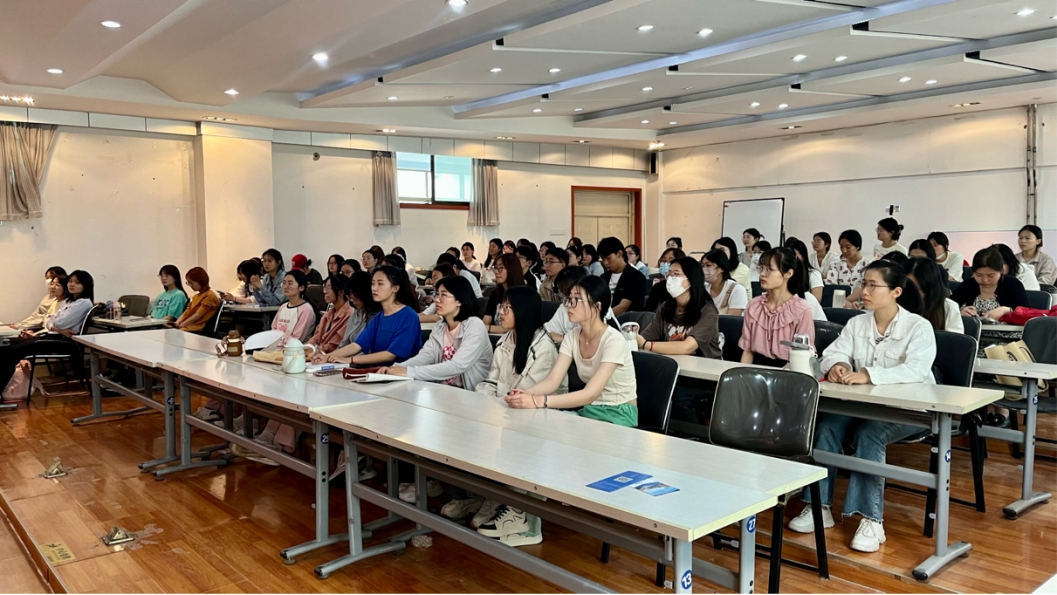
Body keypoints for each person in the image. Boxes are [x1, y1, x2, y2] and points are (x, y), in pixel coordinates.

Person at [789, 259, 937, 553]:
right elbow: (834, 353)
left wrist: (869, 374)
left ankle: (871, 519)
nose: (864, 291)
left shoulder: (918, 327)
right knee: (827, 427)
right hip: (862, 404)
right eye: (863, 284)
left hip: (907, 409)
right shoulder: (857, 323)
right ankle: (819, 506)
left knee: (870, 435)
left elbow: (916, 370)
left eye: (872, 285)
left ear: (896, 292)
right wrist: (839, 366)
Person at [472, 286, 564, 546]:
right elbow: (491, 382)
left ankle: (524, 516)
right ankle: (499, 498)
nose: (500, 313)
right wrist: (484, 397)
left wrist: (495, 395)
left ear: (523, 311)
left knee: (515, 441)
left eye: (507, 308)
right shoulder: (505, 340)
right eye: (500, 307)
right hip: (509, 409)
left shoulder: (543, 347)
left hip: (542, 415)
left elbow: (525, 394)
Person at [505, 276, 637, 427]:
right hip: (591, 410)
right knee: (541, 424)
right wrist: (526, 393)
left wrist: (538, 401)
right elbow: (552, 381)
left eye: (576, 300)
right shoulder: (572, 336)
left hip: (619, 413)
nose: (568, 305)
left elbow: (590, 394)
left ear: (597, 306)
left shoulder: (614, 340)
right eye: (568, 299)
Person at [638, 257, 721, 423]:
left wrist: (646, 345)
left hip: (698, 377)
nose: (670, 278)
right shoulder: (666, 308)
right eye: (669, 274)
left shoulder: (708, 312)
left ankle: (684, 435)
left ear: (691, 279)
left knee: (678, 401)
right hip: (669, 370)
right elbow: (645, 336)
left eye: (676, 274)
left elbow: (687, 347)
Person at [382, 275, 492, 388]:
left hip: (470, 392)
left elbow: (457, 366)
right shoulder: (440, 327)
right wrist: (395, 368)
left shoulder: (474, 326)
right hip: (442, 389)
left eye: (443, 295)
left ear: (459, 300)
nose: (437, 300)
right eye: (437, 294)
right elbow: (425, 357)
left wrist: (409, 372)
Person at [0, 271, 95, 393]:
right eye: (71, 281)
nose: (72, 284)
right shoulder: (69, 301)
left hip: (63, 342)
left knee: (11, 352)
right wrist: (56, 327)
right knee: (6, 346)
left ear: (85, 285)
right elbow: (47, 321)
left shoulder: (83, 302)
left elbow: (59, 322)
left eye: (77, 282)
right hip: (52, 336)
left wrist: (54, 325)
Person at [323, 266, 422, 365]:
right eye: (373, 284)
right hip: (375, 371)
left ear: (395, 288)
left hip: (398, 372)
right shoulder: (379, 317)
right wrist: (326, 357)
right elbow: (357, 345)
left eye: (380, 284)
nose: (374, 288)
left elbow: (391, 354)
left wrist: (350, 360)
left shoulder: (409, 316)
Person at [739, 248, 815, 366]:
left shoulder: (801, 309)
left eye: (769, 269)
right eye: (761, 268)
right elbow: (747, 352)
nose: (762, 274)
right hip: (756, 368)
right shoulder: (754, 306)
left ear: (788, 274)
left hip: (788, 369)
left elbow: (802, 357)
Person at [951, 247, 1028, 322]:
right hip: (973, 330)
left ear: (1001, 271)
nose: (985, 280)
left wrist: (1007, 310)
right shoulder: (967, 285)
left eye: (991, 276)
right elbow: (948, 309)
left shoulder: (1013, 284)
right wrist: (960, 313)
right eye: (979, 275)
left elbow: (1026, 313)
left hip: (1007, 330)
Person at [544, 266, 617, 342]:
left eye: (577, 297)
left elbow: (595, 340)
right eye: (562, 289)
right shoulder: (565, 306)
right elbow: (547, 332)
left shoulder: (599, 310)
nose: (569, 304)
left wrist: (565, 339)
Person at [904, 258, 963, 333]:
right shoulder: (895, 302)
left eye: (919, 288)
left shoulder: (949, 307)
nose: (913, 292)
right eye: (909, 287)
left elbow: (952, 339)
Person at [598, 237, 647, 316]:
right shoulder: (603, 277)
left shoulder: (636, 277)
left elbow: (623, 307)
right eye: (603, 259)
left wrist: (603, 318)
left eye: (608, 258)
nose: (606, 263)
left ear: (619, 254)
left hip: (626, 320)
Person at [9, 266, 66, 331]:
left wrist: (22, 326)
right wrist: (21, 324)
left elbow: (45, 319)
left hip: (43, 329)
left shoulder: (62, 301)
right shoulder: (48, 298)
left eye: (51, 278)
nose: (52, 286)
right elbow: (36, 314)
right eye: (47, 278)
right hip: (40, 328)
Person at [306, 275, 351, 354]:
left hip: (334, 356)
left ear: (341, 292)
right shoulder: (327, 315)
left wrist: (315, 350)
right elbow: (316, 337)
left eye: (329, 288)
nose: (325, 292)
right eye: (325, 288)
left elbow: (334, 345)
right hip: (319, 354)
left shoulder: (350, 314)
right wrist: (307, 346)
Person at [483, 254, 526, 333]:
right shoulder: (495, 293)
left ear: (512, 269)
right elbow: (486, 320)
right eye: (495, 268)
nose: (496, 271)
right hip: (495, 336)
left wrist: (487, 328)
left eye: (501, 268)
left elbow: (514, 327)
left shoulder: (523, 294)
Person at [171, 268, 220, 333]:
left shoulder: (210, 296)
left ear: (200, 281)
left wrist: (182, 324)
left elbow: (198, 315)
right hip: (188, 325)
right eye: (189, 283)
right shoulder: (195, 297)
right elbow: (186, 312)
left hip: (197, 328)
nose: (190, 286)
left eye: (192, 283)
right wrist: (177, 322)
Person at [701, 249, 747, 316]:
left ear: (721, 268)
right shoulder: (703, 289)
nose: (704, 269)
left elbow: (733, 320)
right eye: (702, 266)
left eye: (708, 265)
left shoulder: (737, 290)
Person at [645, 248, 687, 312]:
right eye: (663, 261)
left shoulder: (686, 286)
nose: (666, 264)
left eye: (671, 261)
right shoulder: (658, 287)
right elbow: (648, 311)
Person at [786, 238, 825, 302]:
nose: (790, 259)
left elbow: (816, 302)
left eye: (793, 255)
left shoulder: (813, 274)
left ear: (803, 256)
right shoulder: (785, 274)